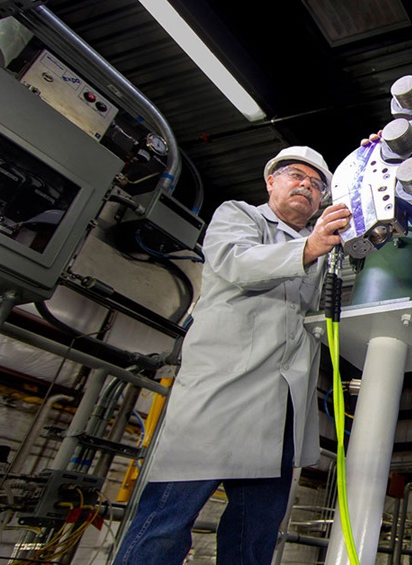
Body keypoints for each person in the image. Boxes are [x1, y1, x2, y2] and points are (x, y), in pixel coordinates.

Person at [113, 145, 354, 565]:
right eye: (296, 175)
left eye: (317, 185)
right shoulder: (240, 215)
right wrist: (310, 248)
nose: (307, 186)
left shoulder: (322, 247)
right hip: (220, 396)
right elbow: (237, 262)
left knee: (254, 540)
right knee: (165, 526)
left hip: (281, 408)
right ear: (271, 181)